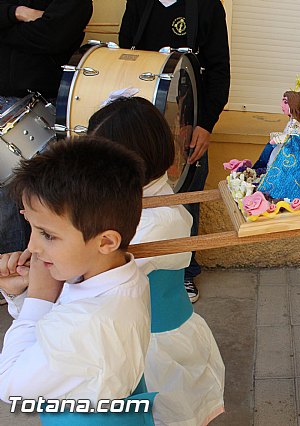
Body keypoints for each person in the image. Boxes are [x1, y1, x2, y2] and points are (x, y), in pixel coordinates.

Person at [88, 96, 226, 425]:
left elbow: (91, 282)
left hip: (154, 351)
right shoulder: (133, 203)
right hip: (138, 341)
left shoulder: (157, 221)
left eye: (98, 160)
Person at [0, 138, 154, 424]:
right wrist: (24, 294)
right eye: (31, 227)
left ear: (106, 241)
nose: (32, 246)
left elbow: (10, 386)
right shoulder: (118, 273)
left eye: (48, 235)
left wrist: (38, 299)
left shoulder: (85, 325)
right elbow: (49, 336)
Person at [119, 0, 231, 302]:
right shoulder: (138, 3)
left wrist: (205, 125)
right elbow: (125, 56)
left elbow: (219, 71)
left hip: (188, 121)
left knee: (185, 200)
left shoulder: (207, 6)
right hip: (142, 122)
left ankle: (185, 271)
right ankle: (127, 270)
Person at [0, 0, 93, 255]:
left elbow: (54, 37)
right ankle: (10, 279)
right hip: (2, 101)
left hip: (45, 107)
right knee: (4, 201)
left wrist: (5, 28)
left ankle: (31, 273)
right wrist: (16, 13)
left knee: (35, 196)